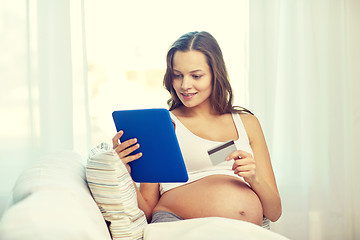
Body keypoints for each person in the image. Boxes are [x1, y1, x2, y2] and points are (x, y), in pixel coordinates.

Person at [112, 31, 281, 226]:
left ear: (215, 74)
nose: (185, 85)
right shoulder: (162, 126)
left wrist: (254, 178)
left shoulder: (247, 124)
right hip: (177, 225)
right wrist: (124, 172)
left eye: (196, 75)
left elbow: (275, 212)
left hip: (242, 232)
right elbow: (148, 210)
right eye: (177, 75)